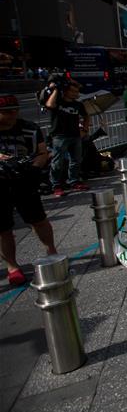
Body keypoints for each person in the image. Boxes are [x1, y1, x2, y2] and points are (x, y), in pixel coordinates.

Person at [0, 94, 56, 286]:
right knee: (3, 229)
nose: (12, 115)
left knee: (38, 220)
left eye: (15, 110)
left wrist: (34, 167)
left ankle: (51, 251)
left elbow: (42, 152)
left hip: (24, 181)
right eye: (7, 112)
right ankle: (12, 266)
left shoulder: (29, 128)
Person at [45, 80, 89, 196]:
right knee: (57, 163)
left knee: (76, 160)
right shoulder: (58, 103)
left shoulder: (78, 104)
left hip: (75, 135)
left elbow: (86, 116)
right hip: (59, 136)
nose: (76, 94)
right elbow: (49, 105)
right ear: (66, 91)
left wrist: (84, 129)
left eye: (77, 91)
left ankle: (73, 181)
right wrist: (55, 90)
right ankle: (56, 185)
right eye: (73, 91)